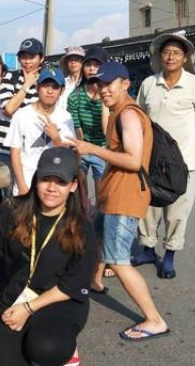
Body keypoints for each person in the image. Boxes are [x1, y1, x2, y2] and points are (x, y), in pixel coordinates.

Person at [69, 61, 170, 341]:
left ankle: (154, 319)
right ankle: (95, 281)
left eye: (108, 84)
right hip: (114, 195)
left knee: (119, 260)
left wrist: (92, 149)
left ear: (125, 84)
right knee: (96, 232)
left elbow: (133, 159)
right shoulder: (117, 112)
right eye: (99, 84)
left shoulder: (127, 114)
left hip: (125, 198)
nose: (102, 90)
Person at [0, 146, 96, 366]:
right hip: (17, 295)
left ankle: (67, 353)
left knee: (47, 348)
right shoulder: (13, 210)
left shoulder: (82, 228)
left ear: (73, 186)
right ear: (36, 179)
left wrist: (28, 308)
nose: (52, 188)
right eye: (46, 179)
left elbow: (73, 285)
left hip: (59, 301)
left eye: (61, 182)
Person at [133, 32, 195, 279]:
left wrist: (182, 150)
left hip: (183, 163)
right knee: (147, 208)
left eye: (176, 52)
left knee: (177, 211)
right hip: (151, 160)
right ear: (159, 56)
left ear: (185, 57)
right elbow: (140, 118)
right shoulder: (149, 84)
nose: (170, 56)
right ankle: (147, 249)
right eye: (166, 52)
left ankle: (169, 256)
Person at [66, 46, 112, 291]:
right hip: (82, 150)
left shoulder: (110, 95)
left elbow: (108, 131)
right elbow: (78, 128)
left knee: (104, 203)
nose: (92, 68)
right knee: (82, 204)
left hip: (104, 152)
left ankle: (101, 256)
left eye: (97, 64)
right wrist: (84, 148)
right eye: (89, 64)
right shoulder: (75, 96)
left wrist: (104, 102)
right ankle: (81, 249)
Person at [4, 68, 76, 196]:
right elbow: (15, 153)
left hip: (53, 185)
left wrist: (56, 138)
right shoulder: (22, 115)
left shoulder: (66, 117)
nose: (49, 91)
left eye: (55, 87)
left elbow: (69, 154)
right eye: (45, 86)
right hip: (27, 179)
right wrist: (22, 186)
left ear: (62, 90)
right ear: (37, 88)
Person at [0, 38, 44, 169]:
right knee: (7, 188)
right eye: (23, 57)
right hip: (5, 148)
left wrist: (17, 99)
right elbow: (8, 109)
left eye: (31, 57)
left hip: (33, 148)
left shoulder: (46, 80)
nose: (27, 61)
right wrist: (27, 85)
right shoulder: (10, 76)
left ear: (41, 58)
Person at [57, 46, 85, 111]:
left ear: (82, 62)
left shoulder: (87, 83)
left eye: (77, 59)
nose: (73, 62)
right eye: (70, 59)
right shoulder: (61, 82)